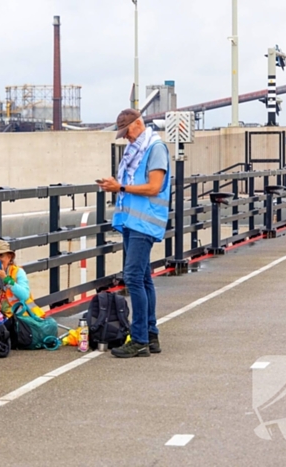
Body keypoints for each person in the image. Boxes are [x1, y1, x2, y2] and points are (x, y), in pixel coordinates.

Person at [97, 108, 171, 358]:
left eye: (127, 131)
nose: (126, 138)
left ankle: (139, 339)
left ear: (138, 124)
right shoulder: (137, 150)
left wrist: (121, 187)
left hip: (144, 222)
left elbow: (154, 186)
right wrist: (118, 187)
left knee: (133, 278)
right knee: (143, 278)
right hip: (133, 221)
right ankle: (150, 335)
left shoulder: (154, 148)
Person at [0, 240, 44, 319]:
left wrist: (6, 279)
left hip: (23, 317)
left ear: (9, 257)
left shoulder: (18, 272)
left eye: (1, 255)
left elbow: (25, 295)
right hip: (1, 318)